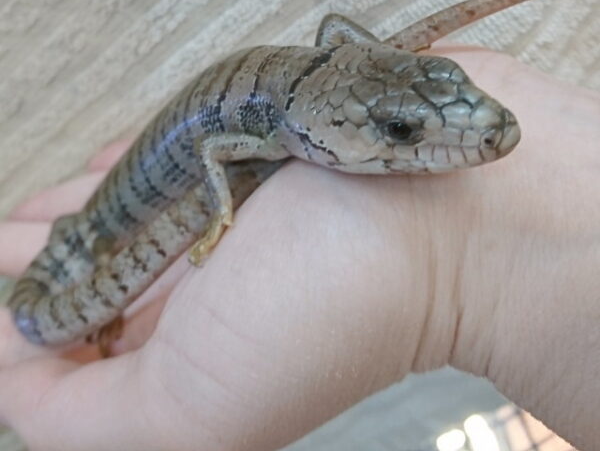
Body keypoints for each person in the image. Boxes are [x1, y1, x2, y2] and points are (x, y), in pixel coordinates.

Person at [0, 47, 598, 451]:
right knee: (41, 309)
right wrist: (219, 211)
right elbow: (215, 150)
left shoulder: (307, 119)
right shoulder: (274, 132)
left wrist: (450, 264)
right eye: (401, 132)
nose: (490, 129)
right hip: (114, 215)